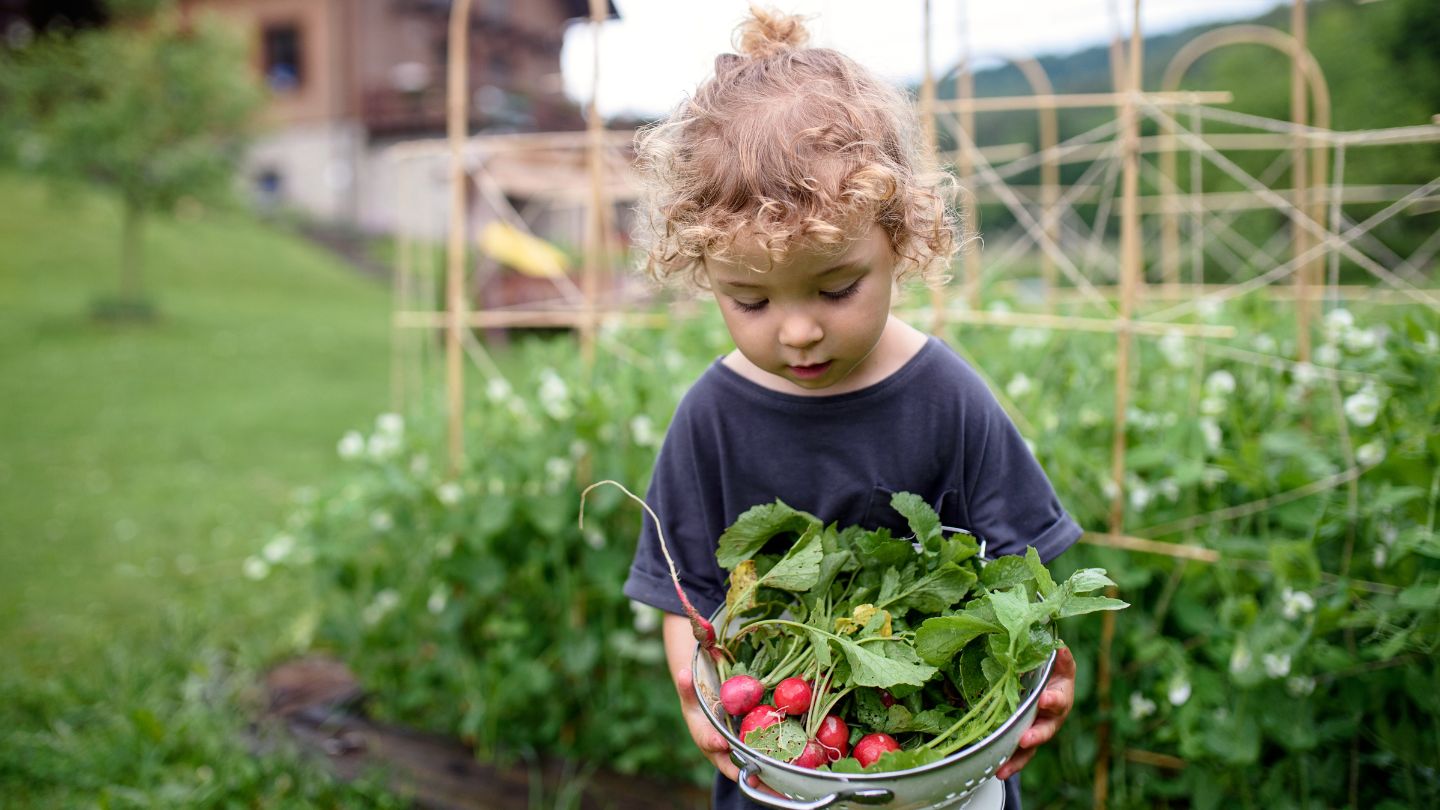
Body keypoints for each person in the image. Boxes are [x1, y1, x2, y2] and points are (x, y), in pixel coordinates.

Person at [621, 7, 1082, 809]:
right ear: (706, 276)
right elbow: (686, 596)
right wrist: (706, 699)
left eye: (837, 288)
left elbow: (1028, 578)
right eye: (749, 299)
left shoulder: (948, 398)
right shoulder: (712, 418)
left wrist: (1043, 667)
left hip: (943, 760)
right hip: (783, 757)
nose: (798, 330)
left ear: (899, 240)